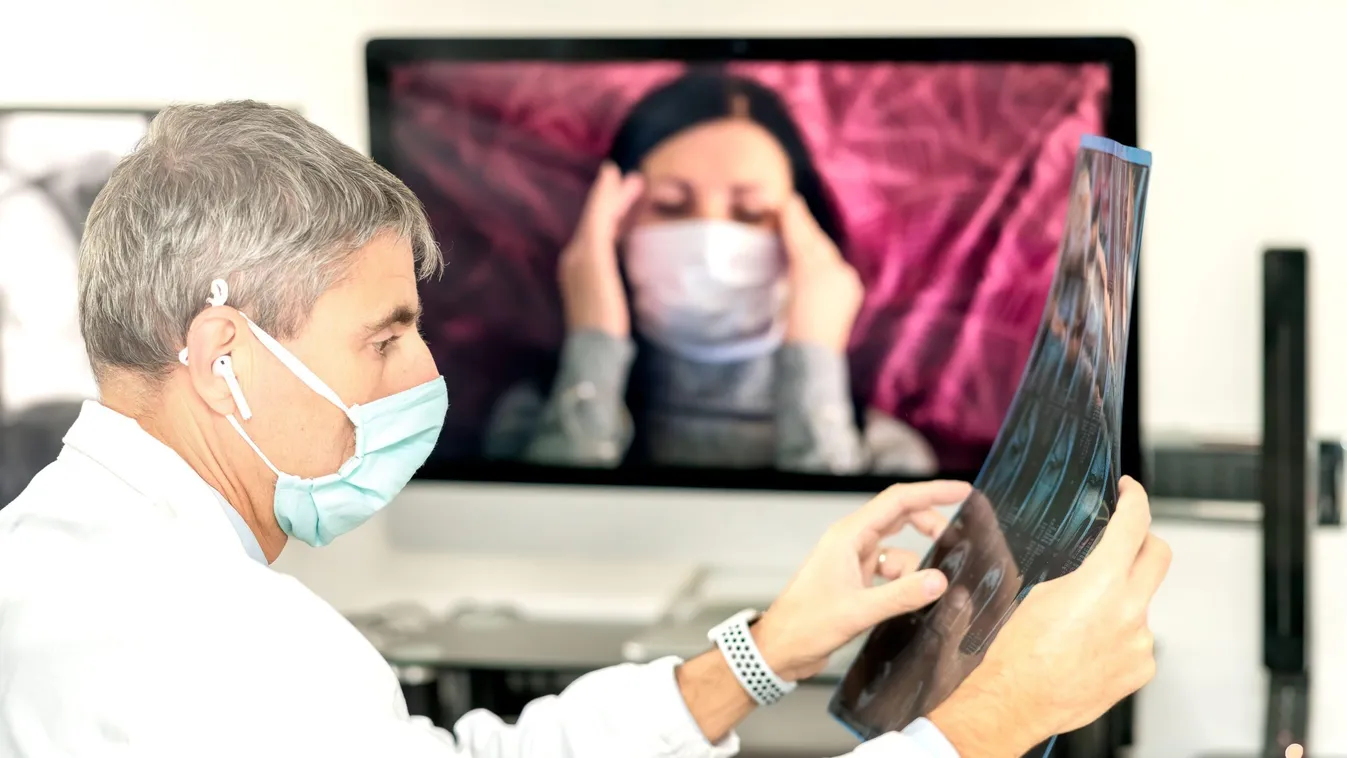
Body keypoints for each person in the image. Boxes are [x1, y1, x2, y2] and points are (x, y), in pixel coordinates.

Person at [0, 101, 1172, 758]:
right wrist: (988, 721)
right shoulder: (218, 645)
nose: (425, 370)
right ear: (222, 359)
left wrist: (763, 650)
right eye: (386, 335)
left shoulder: (73, 561)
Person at [484, 73, 939, 476]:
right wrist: (595, 339)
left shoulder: (888, 459)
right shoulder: (531, 422)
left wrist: (814, 357)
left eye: (750, 212)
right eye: (670, 206)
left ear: (808, 235)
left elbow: (835, 569)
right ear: (613, 225)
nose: (710, 242)